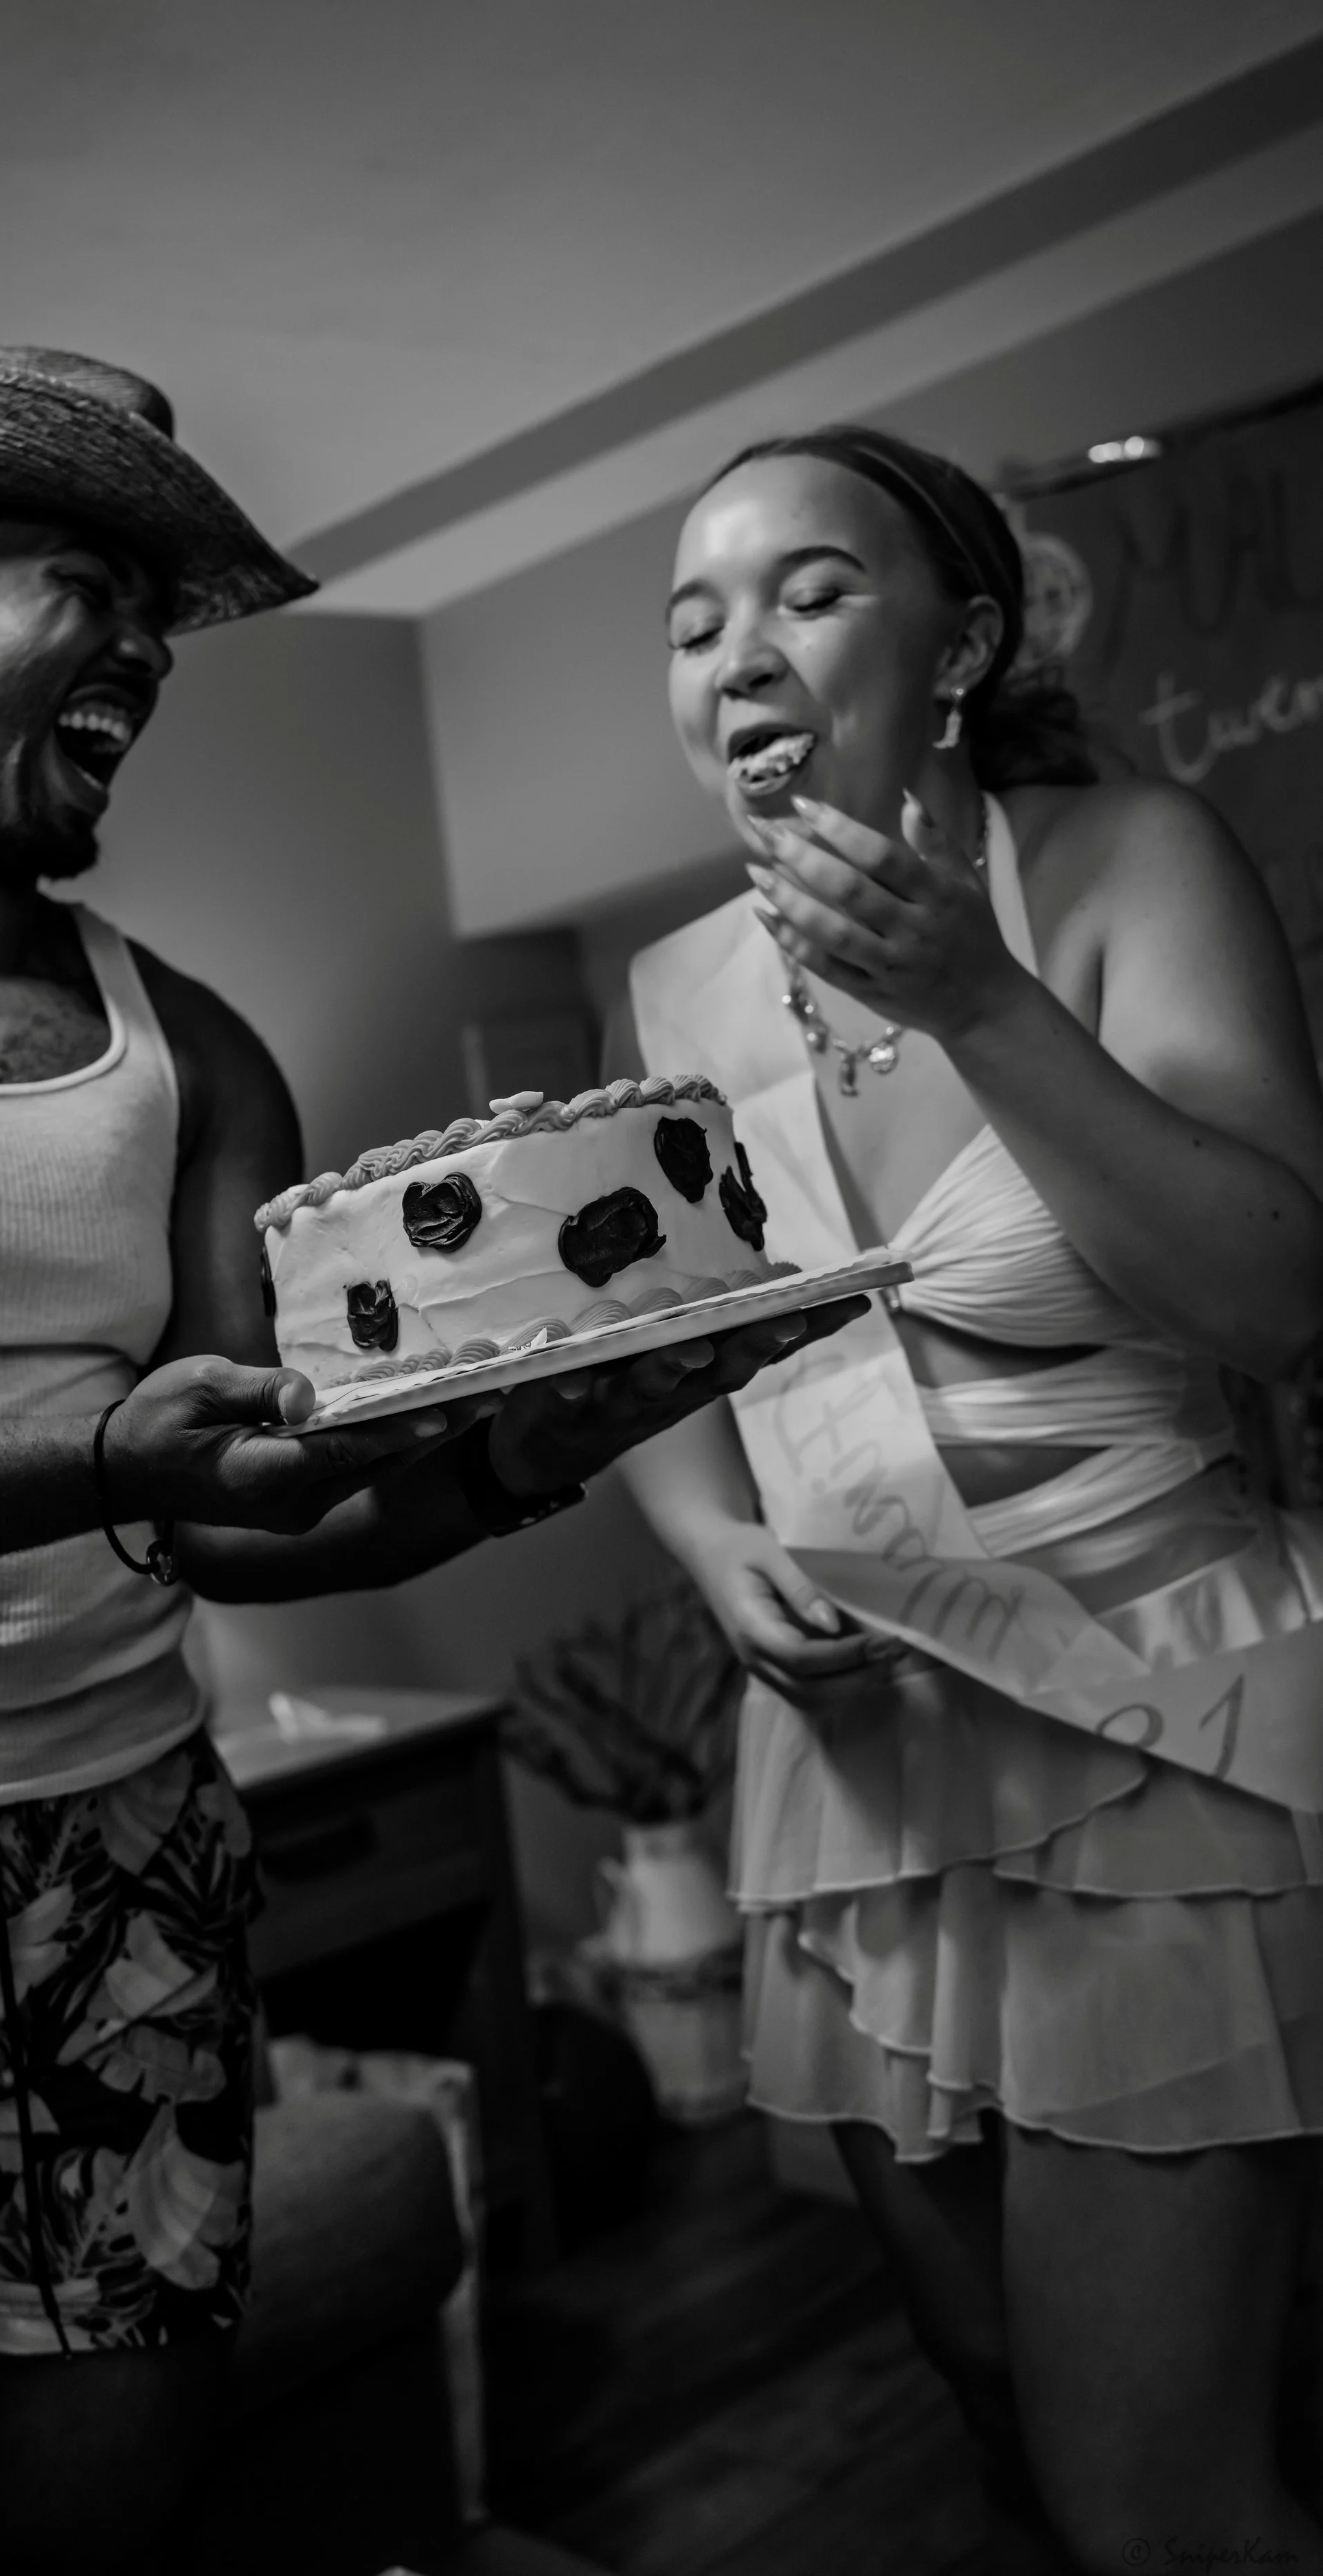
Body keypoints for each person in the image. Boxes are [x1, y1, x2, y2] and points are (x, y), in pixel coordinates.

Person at [0, 346, 850, 2576]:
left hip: (124, 1879)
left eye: (160, 616)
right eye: (94, 585)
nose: (149, 657)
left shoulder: (198, 1046)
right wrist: (97, 1452)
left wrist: (510, 1468)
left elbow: (231, 1509)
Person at [613, 423, 1323, 2573]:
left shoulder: (1123, 866)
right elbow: (638, 1339)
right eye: (691, 616)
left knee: (1155, 2497)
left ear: (961, 642)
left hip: (1149, 1742)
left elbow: (1271, 1296)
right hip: (854, 1768)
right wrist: (705, 1535)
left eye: (806, 589)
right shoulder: (671, 991)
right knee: (996, 2407)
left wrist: (979, 999)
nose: (737, 648)